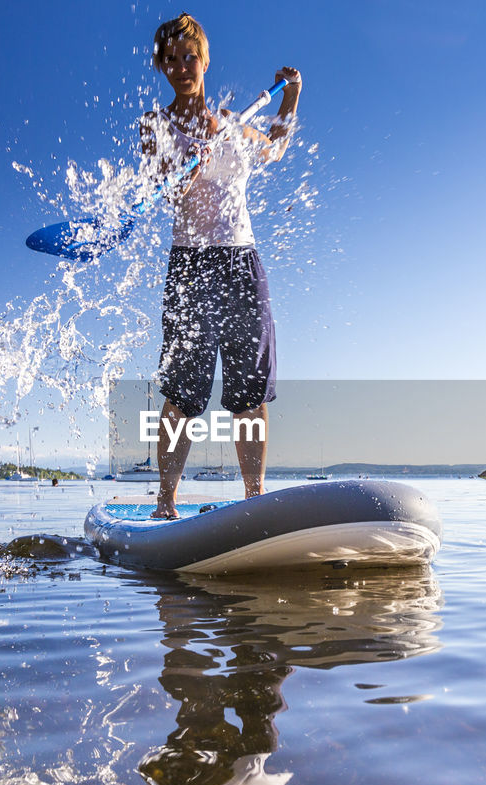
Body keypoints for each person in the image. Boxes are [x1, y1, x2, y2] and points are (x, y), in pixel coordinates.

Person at [140, 12, 301, 518]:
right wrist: (195, 153)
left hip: (241, 263)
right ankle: (165, 502)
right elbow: (167, 189)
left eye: (191, 56)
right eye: (172, 59)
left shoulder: (234, 122)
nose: (183, 66)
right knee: (185, 395)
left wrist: (291, 98)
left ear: (205, 61)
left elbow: (274, 149)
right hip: (190, 267)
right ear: (163, 68)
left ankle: (254, 502)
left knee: (249, 392)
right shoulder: (155, 125)